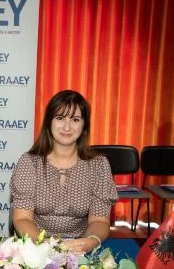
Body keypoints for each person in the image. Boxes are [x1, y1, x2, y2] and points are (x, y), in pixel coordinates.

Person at [10, 90, 117, 253]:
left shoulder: (98, 165)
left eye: (75, 119)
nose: (67, 127)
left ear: (84, 125)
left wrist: (90, 241)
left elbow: (99, 221)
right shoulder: (29, 162)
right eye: (60, 118)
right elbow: (22, 218)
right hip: (36, 244)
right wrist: (47, 246)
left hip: (80, 246)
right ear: (49, 122)